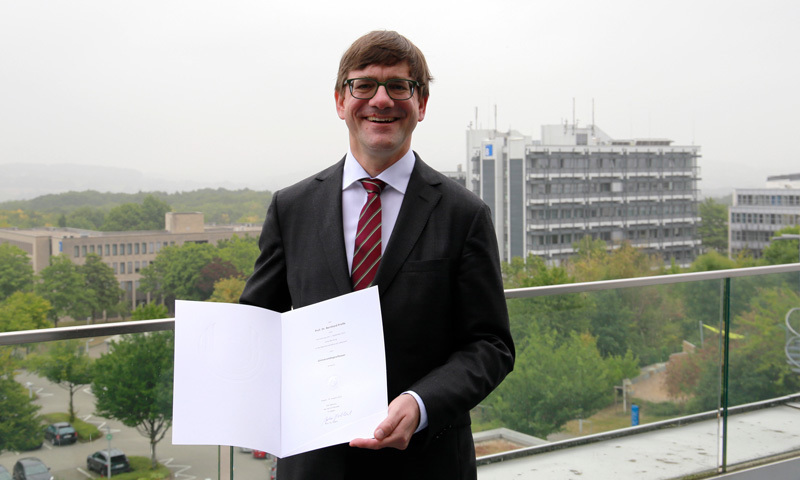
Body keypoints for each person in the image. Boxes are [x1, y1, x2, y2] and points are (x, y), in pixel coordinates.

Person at [239, 30, 515, 480]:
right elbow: (258, 326)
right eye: (363, 85)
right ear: (339, 101)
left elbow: (491, 345)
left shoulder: (465, 214)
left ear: (421, 104)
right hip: (314, 464)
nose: (380, 99)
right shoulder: (290, 208)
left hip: (427, 463)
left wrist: (420, 403)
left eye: (399, 86)